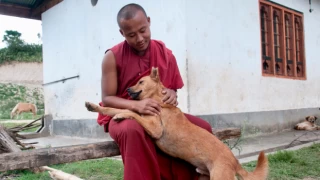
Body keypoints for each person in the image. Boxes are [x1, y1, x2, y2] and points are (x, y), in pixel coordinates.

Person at [97, 3, 213, 180]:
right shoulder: (112, 57)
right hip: (124, 113)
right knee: (132, 129)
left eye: (143, 30)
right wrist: (137, 105)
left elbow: (172, 88)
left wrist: (173, 94)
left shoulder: (165, 54)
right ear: (122, 34)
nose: (139, 38)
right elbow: (107, 99)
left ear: (149, 22)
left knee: (203, 127)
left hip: (158, 113)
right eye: (131, 35)